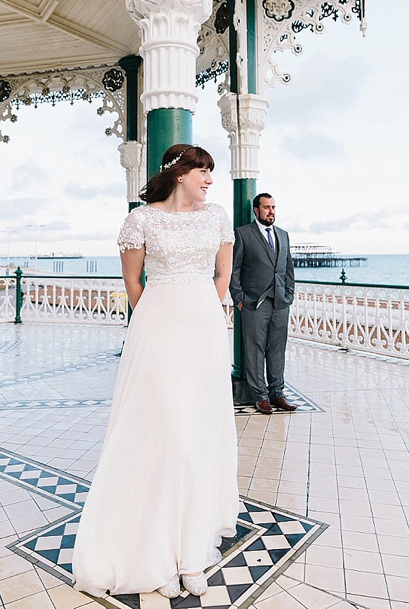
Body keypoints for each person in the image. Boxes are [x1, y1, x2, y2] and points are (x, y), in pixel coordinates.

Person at [72, 144, 239, 600]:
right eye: (202, 171)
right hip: (158, 330)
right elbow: (132, 282)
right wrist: (157, 324)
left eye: (211, 171)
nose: (208, 179)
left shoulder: (218, 216)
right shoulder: (140, 220)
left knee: (198, 432)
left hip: (204, 329)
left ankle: (190, 550)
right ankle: (155, 550)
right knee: (165, 433)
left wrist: (208, 311)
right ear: (179, 174)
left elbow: (222, 275)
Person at [230, 192, 296, 414]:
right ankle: (260, 396)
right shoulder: (242, 234)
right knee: (255, 350)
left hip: (280, 302)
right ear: (256, 211)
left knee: (277, 349)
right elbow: (234, 269)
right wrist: (238, 298)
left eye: (274, 207)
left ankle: (277, 393)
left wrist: (289, 294)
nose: (271, 212)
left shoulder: (283, 235)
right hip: (254, 303)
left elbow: (288, 269)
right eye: (266, 208)